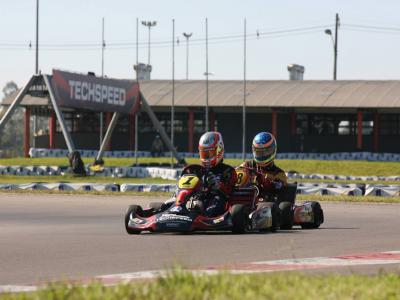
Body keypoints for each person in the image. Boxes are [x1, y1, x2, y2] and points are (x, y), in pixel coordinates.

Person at [182, 131, 237, 217]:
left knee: (216, 202)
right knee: (182, 199)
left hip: (217, 200)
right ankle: (174, 209)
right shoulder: (198, 170)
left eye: (209, 154)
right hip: (198, 197)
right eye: (204, 154)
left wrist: (217, 185)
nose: (206, 158)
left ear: (219, 150)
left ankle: (201, 216)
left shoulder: (228, 171)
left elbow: (229, 192)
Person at [239, 131, 287, 199]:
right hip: (243, 199)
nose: (261, 155)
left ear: (273, 150)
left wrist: (267, 182)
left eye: (265, 152)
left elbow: (279, 187)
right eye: (258, 152)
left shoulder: (279, 173)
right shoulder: (247, 165)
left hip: (265, 204)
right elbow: (237, 177)